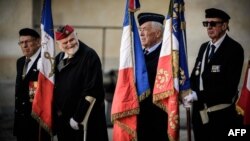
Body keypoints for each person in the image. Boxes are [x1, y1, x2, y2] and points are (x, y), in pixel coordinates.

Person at [183, 8, 244, 140]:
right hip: (199, 116)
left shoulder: (234, 49)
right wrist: (186, 91)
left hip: (220, 117)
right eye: (206, 24)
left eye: (213, 24)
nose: (209, 27)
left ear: (224, 25)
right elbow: (196, 76)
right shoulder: (204, 47)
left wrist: (197, 95)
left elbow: (229, 89)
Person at [53, 25, 109, 141]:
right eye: (65, 43)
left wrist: (77, 117)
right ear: (58, 45)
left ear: (76, 36)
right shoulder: (59, 58)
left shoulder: (89, 56)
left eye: (72, 39)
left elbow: (92, 90)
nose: (70, 44)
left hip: (84, 121)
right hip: (64, 120)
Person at [14, 28, 51, 141]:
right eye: (21, 42)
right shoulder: (20, 62)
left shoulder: (46, 62)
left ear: (38, 42)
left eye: (28, 42)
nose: (24, 46)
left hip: (37, 122)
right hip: (21, 121)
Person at [137, 12, 169, 141]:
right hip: (140, 116)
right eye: (140, 30)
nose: (141, 34)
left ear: (157, 33)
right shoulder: (139, 54)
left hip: (157, 119)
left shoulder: (165, 55)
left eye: (145, 30)